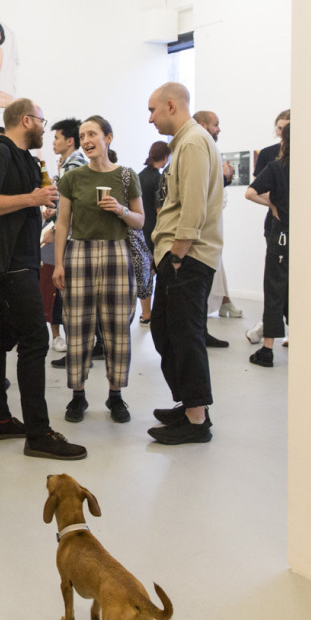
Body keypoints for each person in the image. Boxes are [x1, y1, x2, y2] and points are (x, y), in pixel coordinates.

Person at [0, 98, 87, 460]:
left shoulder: (22, 157)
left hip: (19, 261)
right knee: (35, 341)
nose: (44, 128)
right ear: (26, 120)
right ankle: (38, 433)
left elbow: (15, 201)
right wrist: (31, 198)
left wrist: (37, 204)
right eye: (41, 121)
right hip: (13, 266)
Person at [52, 115, 144, 424]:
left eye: (92, 134)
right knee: (77, 325)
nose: (86, 140)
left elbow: (140, 220)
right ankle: (77, 395)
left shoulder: (127, 176)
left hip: (118, 253)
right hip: (79, 252)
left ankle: (115, 395)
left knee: (118, 327)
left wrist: (120, 209)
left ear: (108, 137)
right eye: (82, 136)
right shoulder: (72, 178)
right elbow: (62, 222)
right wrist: (59, 263)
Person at [145, 82, 223, 445]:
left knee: (185, 336)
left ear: (171, 106)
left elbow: (193, 205)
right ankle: (191, 405)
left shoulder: (191, 143)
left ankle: (196, 420)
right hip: (179, 256)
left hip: (186, 257)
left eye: (153, 110)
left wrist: (177, 254)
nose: (150, 118)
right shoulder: (186, 143)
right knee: (167, 332)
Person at [191, 111, 240, 343]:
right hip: (198, 235)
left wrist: (225, 180)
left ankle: (206, 327)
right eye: (216, 125)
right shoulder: (198, 150)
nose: (219, 129)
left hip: (209, 233)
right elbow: (201, 195)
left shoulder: (209, 151)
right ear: (203, 125)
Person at [245, 123, 289, 368]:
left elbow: (250, 193)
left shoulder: (277, 167)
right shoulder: (309, 168)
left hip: (281, 235)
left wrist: (272, 205)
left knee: (274, 290)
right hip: (303, 236)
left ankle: (268, 349)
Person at [41, 118, 86, 353]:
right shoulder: (71, 164)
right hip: (68, 235)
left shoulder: (73, 166)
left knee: (61, 288)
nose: (53, 142)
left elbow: (76, 208)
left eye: (57, 138)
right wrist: (55, 213)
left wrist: (55, 229)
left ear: (69, 141)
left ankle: (71, 343)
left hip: (70, 239)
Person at [137, 140, 170, 323]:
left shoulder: (139, 176)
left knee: (145, 273)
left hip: (139, 229)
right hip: (154, 230)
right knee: (156, 272)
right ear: (165, 157)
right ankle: (154, 313)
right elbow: (160, 209)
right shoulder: (158, 178)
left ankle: (146, 313)